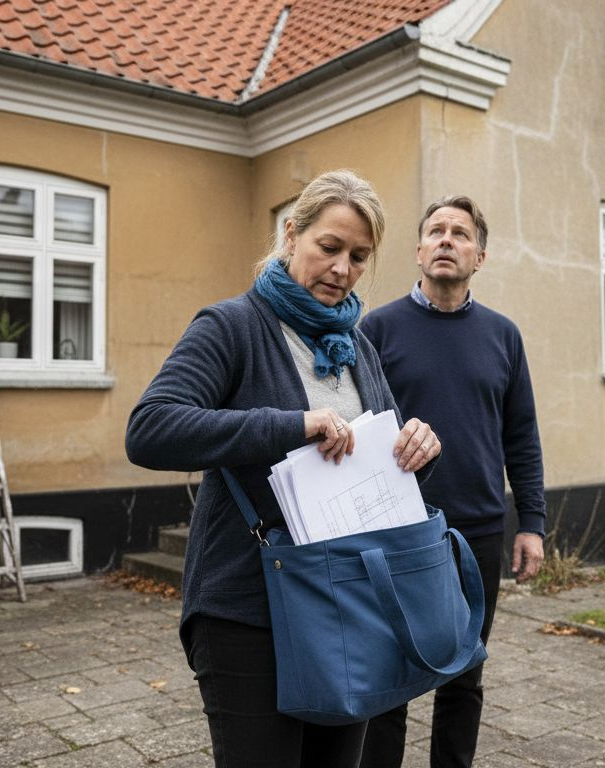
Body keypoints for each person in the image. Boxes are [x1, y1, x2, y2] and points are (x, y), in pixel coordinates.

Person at [124, 170, 442, 768]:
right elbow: (150, 429)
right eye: (329, 247)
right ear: (291, 235)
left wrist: (415, 453)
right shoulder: (231, 327)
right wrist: (291, 425)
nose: (342, 269)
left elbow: (375, 471)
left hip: (347, 608)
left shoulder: (357, 345)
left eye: (358, 256)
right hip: (248, 612)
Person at [358, 196, 546, 768]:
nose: (446, 240)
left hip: (478, 532)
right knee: (389, 677)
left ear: (479, 256)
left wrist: (531, 524)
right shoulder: (377, 329)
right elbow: (359, 428)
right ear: (418, 251)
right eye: (435, 231)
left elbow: (522, 437)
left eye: (460, 233)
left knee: (464, 675)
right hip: (398, 530)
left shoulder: (503, 336)